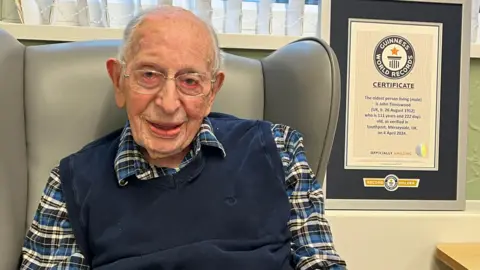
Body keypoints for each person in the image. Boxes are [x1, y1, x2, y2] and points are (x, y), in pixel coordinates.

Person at [20, 6, 346, 270]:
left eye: (190, 81)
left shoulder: (278, 149)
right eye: (149, 75)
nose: (168, 103)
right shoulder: (71, 184)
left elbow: (320, 262)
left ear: (212, 91)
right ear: (119, 81)